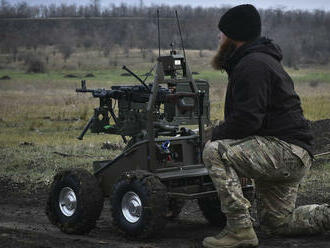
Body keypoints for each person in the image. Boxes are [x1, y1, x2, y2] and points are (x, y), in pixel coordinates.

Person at [202, 4, 330, 248]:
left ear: (233, 35)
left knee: (215, 150)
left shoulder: (253, 64)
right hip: (291, 152)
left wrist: (213, 134)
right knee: (277, 223)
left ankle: (239, 230)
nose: (218, 37)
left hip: (284, 150)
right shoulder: (257, 61)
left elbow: (248, 120)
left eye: (222, 32)